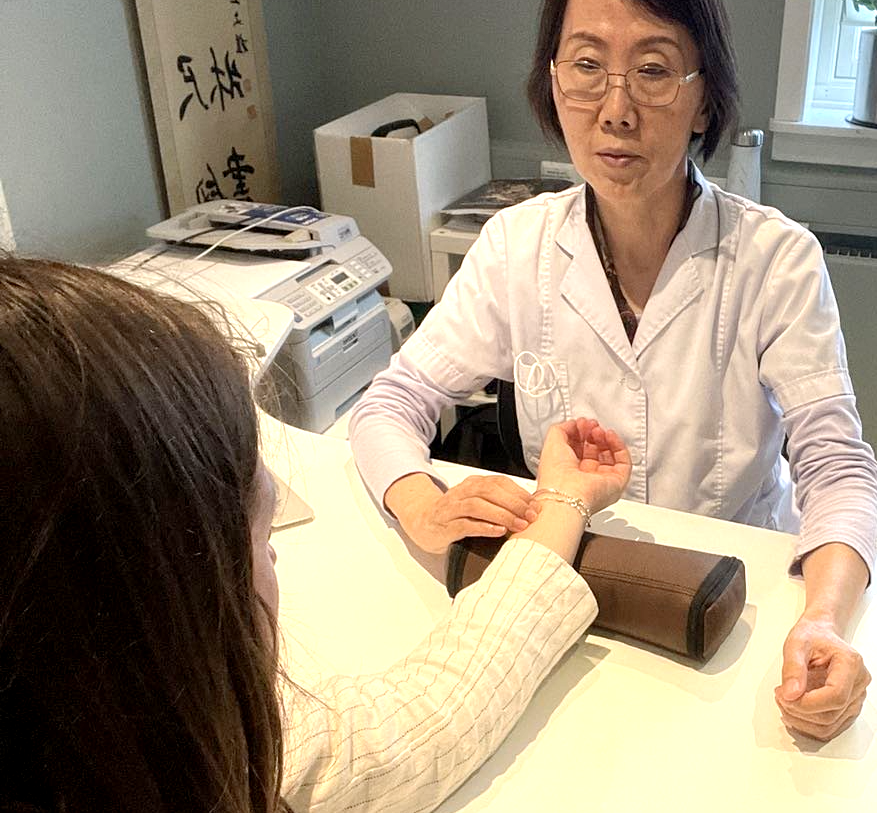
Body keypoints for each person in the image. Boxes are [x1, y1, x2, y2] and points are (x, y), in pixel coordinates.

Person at [349, 0, 877, 741]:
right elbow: (391, 402)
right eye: (587, 66)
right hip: (566, 600)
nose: (616, 109)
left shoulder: (776, 259)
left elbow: (836, 464)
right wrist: (421, 502)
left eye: (654, 71)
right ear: (552, 80)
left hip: (732, 613)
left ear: (705, 97)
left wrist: (823, 619)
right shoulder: (516, 246)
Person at [0, 256, 631, 813]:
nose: (273, 552)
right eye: (250, 534)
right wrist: (432, 505)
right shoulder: (219, 751)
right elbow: (423, 722)